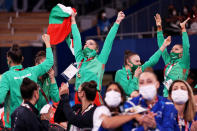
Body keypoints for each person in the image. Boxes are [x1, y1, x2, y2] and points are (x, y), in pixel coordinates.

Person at [70, 11, 125, 105]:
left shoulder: (100, 59)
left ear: (96, 50)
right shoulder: (80, 58)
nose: (86, 44)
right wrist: (73, 21)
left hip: (93, 96)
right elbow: (77, 38)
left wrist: (117, 22)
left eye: (90, 43)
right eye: (86, 43)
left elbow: (108, 40)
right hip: (78, 96)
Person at [0, 34, 53, 129]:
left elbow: (0, 99)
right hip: (32, 122)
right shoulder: (32, 71)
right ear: (22, 59)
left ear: (8, 60)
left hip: (13, 125)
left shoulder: (6, 76)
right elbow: (49, 62)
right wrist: (48, 43)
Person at [155, 13, 191, 97]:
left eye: (176, 49)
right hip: (166, 96)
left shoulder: (184, 62)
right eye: (172, 49)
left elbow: (186, 46)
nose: (172, 51)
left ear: (182, 53)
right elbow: (162, 46)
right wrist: (159, 28)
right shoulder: (168, 61)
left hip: (179, 95)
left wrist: (183, 29)